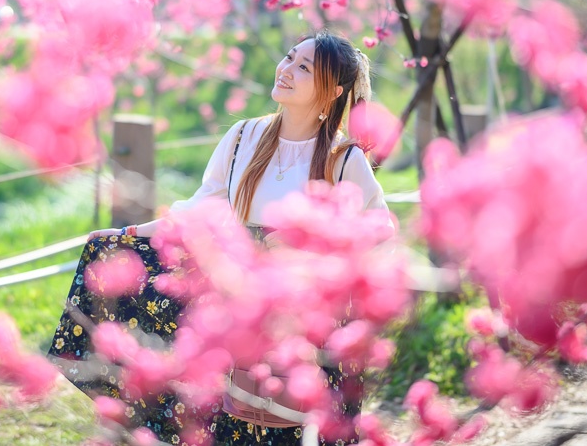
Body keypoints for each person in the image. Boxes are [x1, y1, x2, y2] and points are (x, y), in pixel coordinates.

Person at [48, 30, 392, 445]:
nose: (286, 70)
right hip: (237, 298)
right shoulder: (244, 137)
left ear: (332, 91)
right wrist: (128, 235)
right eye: (289, 57)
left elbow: (378, 230)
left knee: (285, 421)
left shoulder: (343, 157)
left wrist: (313, 250)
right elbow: (200, 209)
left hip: (299, 312)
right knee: (225, 417)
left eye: (304, 68)